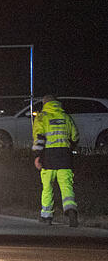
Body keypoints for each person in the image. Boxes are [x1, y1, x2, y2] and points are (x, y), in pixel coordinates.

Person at [32, 95, 79, 226]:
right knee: (66, 187)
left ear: (44, 103)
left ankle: (47, 216)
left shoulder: (42, 117)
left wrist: (37, 155)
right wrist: (69, 148)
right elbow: (75, 136)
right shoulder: (66, 117)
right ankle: (71, 211)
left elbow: (39, 138)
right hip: (65, 157)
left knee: (47, 188)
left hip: (48, 158)